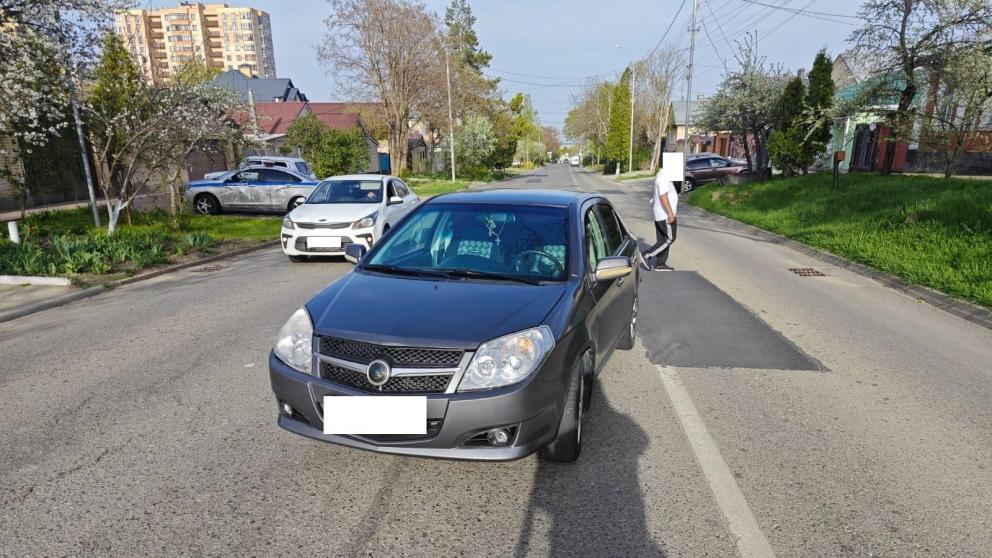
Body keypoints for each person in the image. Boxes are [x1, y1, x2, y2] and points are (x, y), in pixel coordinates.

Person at [642, 172, 679, 271]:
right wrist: (670, 213)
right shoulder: (663, 176)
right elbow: (663, 196)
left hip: (662, 214)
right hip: (665, 215)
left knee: (663, 240)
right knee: (669, 238)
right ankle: (647, 255)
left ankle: (660, 264)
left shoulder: (665, 175)